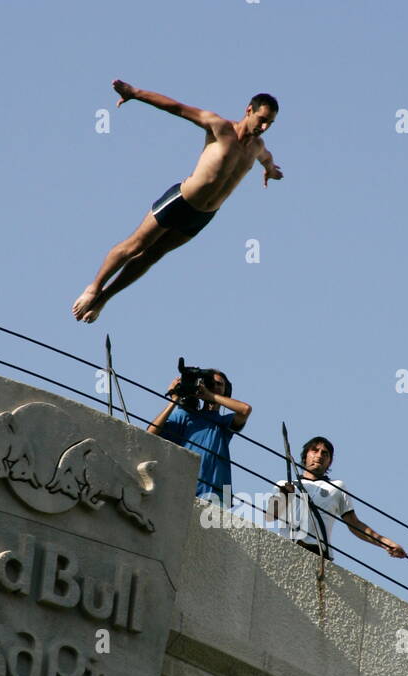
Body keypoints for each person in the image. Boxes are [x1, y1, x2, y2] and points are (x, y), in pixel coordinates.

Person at [72, 82, 282, 323]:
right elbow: (177, 108)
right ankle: (94, 288)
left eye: (270, 124)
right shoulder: (219, 127)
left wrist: (270, 169)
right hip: (181, 200)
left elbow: (266, 157)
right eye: (262, 119)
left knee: (153, 255)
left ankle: (103, 299)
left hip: (203, 216)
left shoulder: (257, 147)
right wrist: (135, 94)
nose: (264, 127)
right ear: (249, 111)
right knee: (135, 245)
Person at [268, 437, 408, 561]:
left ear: (330, 461)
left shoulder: (337, 487)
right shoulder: (284, 485)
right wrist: (284, 496)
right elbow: (270, 516)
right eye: (314, 451)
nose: (319, 455)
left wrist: (385, 543)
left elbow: (355, 524)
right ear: (305, 457)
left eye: (325, 453)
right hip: (287, 548)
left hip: (319, 553)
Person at [147, 368, 251, 503]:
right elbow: (150, 433)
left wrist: (210, 396)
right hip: (185, 489)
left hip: (215, 495)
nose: (215, 387)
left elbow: (245, 410)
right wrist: (175, 399)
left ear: (226, 391)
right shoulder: (185, 416)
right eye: (211, 383)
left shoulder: (224, 422)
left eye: (220, 384)